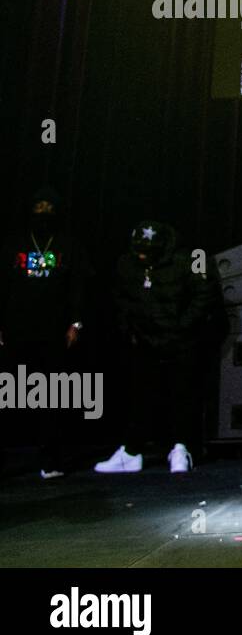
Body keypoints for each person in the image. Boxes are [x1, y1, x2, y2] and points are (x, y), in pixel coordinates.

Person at [94, 220, 216, 474]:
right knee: (139, 396)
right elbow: (120, 299)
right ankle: (131, 451)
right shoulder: (127, 265)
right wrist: (131, 330)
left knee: (182, 395)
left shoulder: (190, 258)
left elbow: (204, 295)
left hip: (180, 340)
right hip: (145, 341)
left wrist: (182, 327)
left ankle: (181, 449)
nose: (141, 257)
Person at [0, 186, 92, 479]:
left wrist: (76, 323)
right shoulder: (12, 243)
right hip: (16, 329)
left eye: (48, 207)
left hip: (54, 332)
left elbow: (80, 287)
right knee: (9, 393)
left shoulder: (69, 245)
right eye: (38, 206)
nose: (42, 212)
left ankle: (50, 459)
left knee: (51, 397)